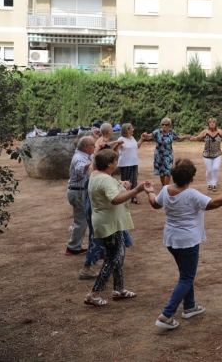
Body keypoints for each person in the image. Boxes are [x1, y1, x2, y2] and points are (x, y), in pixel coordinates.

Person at [143, 159, 222, 329]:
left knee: (186, 273)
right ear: (191, 177)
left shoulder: (165, 190)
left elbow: (155, 204)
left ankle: (189, 306)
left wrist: (150, 192)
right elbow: (214, 203)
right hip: (188, 241)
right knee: (186, 277)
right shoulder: (191, 194)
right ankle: (166, 315)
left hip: (172, 240)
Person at [84, 149, 147, 307]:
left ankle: (119, 288)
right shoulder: (105, 179)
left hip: (108, 221)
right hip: (109, 223)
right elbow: (115, 199)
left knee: (119, 255)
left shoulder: (95, 174)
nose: (117, 164)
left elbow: (109, 190)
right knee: (112, 257)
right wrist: (136, 190)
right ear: (109, 163)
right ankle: (94, 293)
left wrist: (121, 185)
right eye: (115, 161)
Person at [66, 136, 94, 257]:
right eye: (93, 145)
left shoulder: (85, 156)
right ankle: (73, 248)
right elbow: (80, 170)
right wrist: (95, 163)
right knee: (81, 221)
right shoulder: (79, 158)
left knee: (81, 219)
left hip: (79, 192)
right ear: (86, 147)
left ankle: (74, 242)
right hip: (78, 192)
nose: (95, 147)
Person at [189, 118, 222, 192]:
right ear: (208, 124)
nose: (212, 123)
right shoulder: (205, 132)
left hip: (217, 154)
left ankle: (214, 184)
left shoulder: (219, 131)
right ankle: (209, 183)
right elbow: (198, 138)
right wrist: (192, 138)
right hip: (207, 154)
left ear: (216, 124)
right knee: (209, 170)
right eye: (210, 122)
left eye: (213, 122)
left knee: (215, 168)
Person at [143, 118, 189, 186]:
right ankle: (163, 187)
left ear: (169, 125)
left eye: (166, 124)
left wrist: (185, 137)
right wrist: (145, 135)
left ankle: (165, 187)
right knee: (161, 172)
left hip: (168, 155)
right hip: (159, 155)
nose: (164, 126)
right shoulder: (157, 131)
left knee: (168, 171)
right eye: (162, 124)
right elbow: (149, 136)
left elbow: (178, 139)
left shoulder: (172, 132)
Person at [114, 123, 146, 204]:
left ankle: (134, 197)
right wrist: (118, 144)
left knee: (134, 180)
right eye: (131, 128)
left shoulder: (132, 138)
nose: (133, 129)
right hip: (124, 163)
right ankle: (122, 197)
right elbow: (114, 150)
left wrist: (142, 139)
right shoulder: (121, 139)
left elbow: (137, 146)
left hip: (134, 162)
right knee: (124, 181)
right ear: (127, 130)